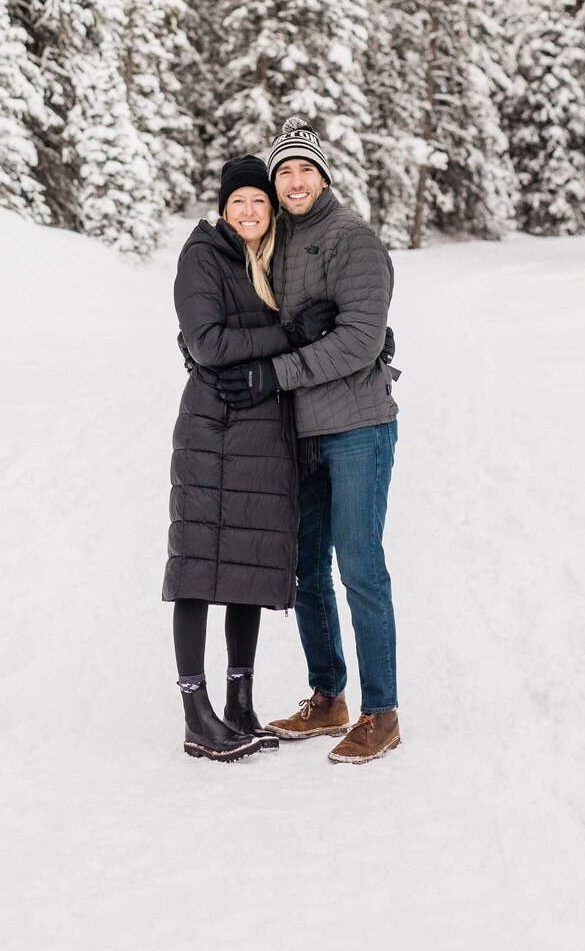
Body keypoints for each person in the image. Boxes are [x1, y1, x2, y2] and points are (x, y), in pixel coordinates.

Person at [214, 117, 401, 766]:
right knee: (303, 570)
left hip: (357, 427)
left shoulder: (352, 239)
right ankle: (329, 697)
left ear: (323, 176)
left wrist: (282, 367)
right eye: (283, 172)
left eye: (304, 170)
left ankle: (382, 711)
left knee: (359, 567)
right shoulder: (270, 244)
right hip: (297, 434)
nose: (294, 181)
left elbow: (361, 341)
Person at [164, 154, 336, 762]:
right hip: (216, 428)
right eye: (238, 201)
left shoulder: (265, 260)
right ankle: (195, 714)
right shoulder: (202, 255)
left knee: (246, 569)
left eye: (259, 202)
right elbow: (207, 342)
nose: (250, 211)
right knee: (198, 565)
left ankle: (240, 704)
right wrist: (289, 337)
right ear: (222, 207)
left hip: (262, 433)